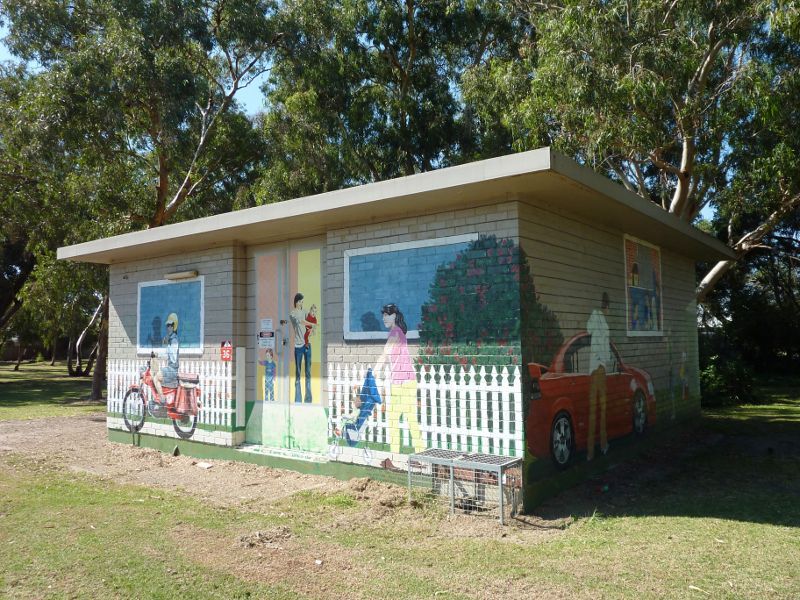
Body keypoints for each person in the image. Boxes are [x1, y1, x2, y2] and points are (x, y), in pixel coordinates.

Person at [375, 303, 425, 456]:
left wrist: (375, 370)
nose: (384, 318)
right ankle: (406, 453)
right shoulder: (397, 333)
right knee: (399, 420)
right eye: (383, 315)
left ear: (394, 316)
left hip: (405, 382)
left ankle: (402, 454)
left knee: (401, 419)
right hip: (401, 381)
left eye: (387, 314)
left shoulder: (395, 333)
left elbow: (385, 353)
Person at [586, 293, 611, 461]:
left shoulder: (595, 318)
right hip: (601, 369)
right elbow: (606, 349)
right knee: (602, 409)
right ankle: (602, 445)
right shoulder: (602, 321)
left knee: (593, 410)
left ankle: (590, 453)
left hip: (593, 369)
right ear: (606, 306)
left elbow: (588, 330)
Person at [289, 293, 313, 403]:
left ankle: (308, 399)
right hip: (298, 345)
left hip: (307, 344)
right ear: (296, 302)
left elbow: (311, 323)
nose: (302, 304)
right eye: (300, 301)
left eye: (303, 302)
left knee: (308, 372)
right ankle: (298, 399)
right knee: (298, 372)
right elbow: (299, 321)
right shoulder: (293, 314)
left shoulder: (305, 312)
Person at [153, 312, 180, 402]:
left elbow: (173, 358)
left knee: (156, 378)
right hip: (170, 368)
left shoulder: (174, 340)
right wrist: (157, 354)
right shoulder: (170, 339)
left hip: (172, 370)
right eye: (167, 325)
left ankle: (162, 400)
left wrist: (167, 345)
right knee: (156, 375)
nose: (168, 327)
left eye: (170, 325)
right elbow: (166, 356)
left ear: (174, 326)